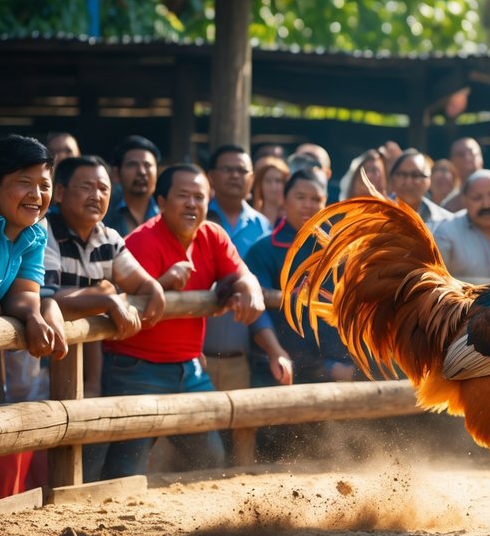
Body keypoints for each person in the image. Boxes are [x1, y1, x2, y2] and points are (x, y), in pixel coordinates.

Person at [98, 163, 265, 480]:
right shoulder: (142, 242)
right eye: (183, 195)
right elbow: (123, 300)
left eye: (199, 197)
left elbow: (242, 274)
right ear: (161, 202)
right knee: (126, 467)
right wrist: (161, 283)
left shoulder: (213, 235)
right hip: (136, 367)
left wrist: (251, 290)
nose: (192, 204)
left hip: (189, 368)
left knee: (209, 456)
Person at [42, 155, 167, 481]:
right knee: (35, 447)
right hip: (36, 363)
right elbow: (47, 299)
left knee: (84, 452)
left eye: (103, 188)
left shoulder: (108, 237)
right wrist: (106, 299)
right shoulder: (43, 230)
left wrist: (154, 288)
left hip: (86, 369)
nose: (96, 195)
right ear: (59, 193)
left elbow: (139, 282)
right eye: (86, 187)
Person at [244, 167, 356, 389]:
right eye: (300, 197)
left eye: (316, 199)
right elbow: (257, 312)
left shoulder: (339, 252)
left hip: (336, 370)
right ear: (284, 200)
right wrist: (275, 351)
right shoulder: (263, 250)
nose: (308, 205)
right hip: (277, 367)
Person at [0, 135, 67, 497]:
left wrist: (35, 316)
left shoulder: (35, 232)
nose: (36, 194)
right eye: (24, 182)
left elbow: (24, 292)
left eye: (44, 184)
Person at [203, 144, 271, 399]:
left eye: (242, 171)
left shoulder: (263, 226)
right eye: (227, 169)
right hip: (197, 355)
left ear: (252, 178)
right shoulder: (196, 219)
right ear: (211, 176)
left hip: (245, 356)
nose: (235, 176)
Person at [103, 135, 160, 237]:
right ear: (116, 174)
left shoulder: (169, 215)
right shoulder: (102, 217)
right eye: (132, 165)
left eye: (147, 165)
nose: (142, 172)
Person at [389, 149, 451, 233]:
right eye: (402, 174)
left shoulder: (444, 222)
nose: (408, 182)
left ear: (429, 180)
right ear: (392, 178)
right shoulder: (376, 213)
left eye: (416, 175)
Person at [441, 137, 483, 213]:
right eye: (461, 155)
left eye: (472, 152)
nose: (467, 158)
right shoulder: (448, 207)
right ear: (452, 162)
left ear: (481, 158)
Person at [251, 155, 290, 225]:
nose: (273, 186)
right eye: (268, 181)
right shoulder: (251, 217)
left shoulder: (292, 218)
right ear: (260, 185)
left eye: (278, 181)